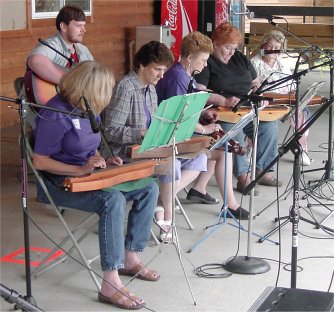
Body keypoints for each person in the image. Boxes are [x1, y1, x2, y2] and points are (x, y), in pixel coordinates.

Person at [33, 61, 159, 310]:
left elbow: (89, 146)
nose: (106, 98)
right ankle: (110, 282)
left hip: (88, 174)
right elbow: (40, 161)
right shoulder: (56, 113)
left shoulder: (88, 108)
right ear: (87, 89)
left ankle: (130, 256)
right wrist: (79, 169)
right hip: (60, 181)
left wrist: (103, 159)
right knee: (112, 200)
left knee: (149, 187)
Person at [102, 41, 208, 241]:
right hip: (124, 152)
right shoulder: (126, 88)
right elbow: (111, 131)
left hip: (148, 147)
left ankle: (159, 201)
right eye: (157, 69)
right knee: (170, 164)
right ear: (142, 66)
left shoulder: (150, 88)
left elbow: (154, 124)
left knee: (199, 158)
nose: (162, 75)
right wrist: (142, 133)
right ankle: (167, 218)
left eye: (164, 70)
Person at [155, 31, 248, 219]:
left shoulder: (186, 75)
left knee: (221, 150)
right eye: (203, 60)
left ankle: (165, 197)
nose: (206, 64)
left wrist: (204, 113)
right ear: (189, 58)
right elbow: (177, 118)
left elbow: (188, 107)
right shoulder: (177, 78)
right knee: (222, 152)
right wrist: (205, 129)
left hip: (180, 135)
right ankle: (159, 199)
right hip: (169, 137)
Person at [195, 23, 283, 195]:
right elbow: (199, 91)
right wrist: (223, 100)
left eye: (234, 48)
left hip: (246, 108)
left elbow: (255, 83)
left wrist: (259, 94)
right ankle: (243, 177)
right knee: (233, 132)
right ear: (215, 44)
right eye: (227, 48)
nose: (231, 52)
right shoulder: (207, 62)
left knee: (268, 126)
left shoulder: (240, 58)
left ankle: (261, 169)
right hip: (220, 113)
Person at [250, 30, 311, 166]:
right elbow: (252, 86)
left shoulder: (281, 64)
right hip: (266, 101)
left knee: (301, 111)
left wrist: (294, 92)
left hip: (284, 100)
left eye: (277, 48)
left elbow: (292, 84)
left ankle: (302, 149)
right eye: (270, 46)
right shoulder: (254, 63)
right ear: (263, 46)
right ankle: (251, 150)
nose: (273, 50)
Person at [27, 5, 93, 85]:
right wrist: (70, 83)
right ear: (64, 27)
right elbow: (35, 61)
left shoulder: (83, 50)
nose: (83, 30)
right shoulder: (53, 44)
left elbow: (93, 75)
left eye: (84, 25)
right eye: (78, 26)